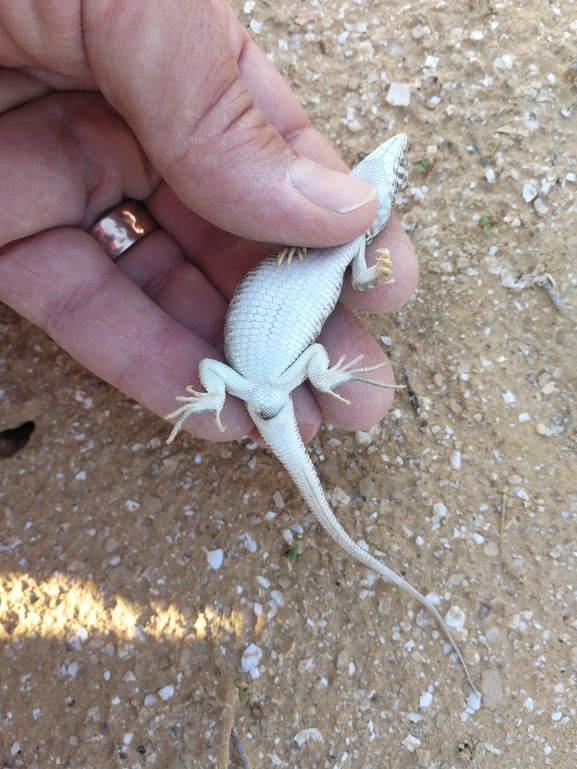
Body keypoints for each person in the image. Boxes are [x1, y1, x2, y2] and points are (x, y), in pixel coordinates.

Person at [0, 0, 418, 445]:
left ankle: (278, 392)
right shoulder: (328, 237)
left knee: (313, 355)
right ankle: (311, 384)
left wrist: (374, 274)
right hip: (269, 372)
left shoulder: (349, 246)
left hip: (260, 379)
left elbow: (365, 277)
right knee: (314, 355)